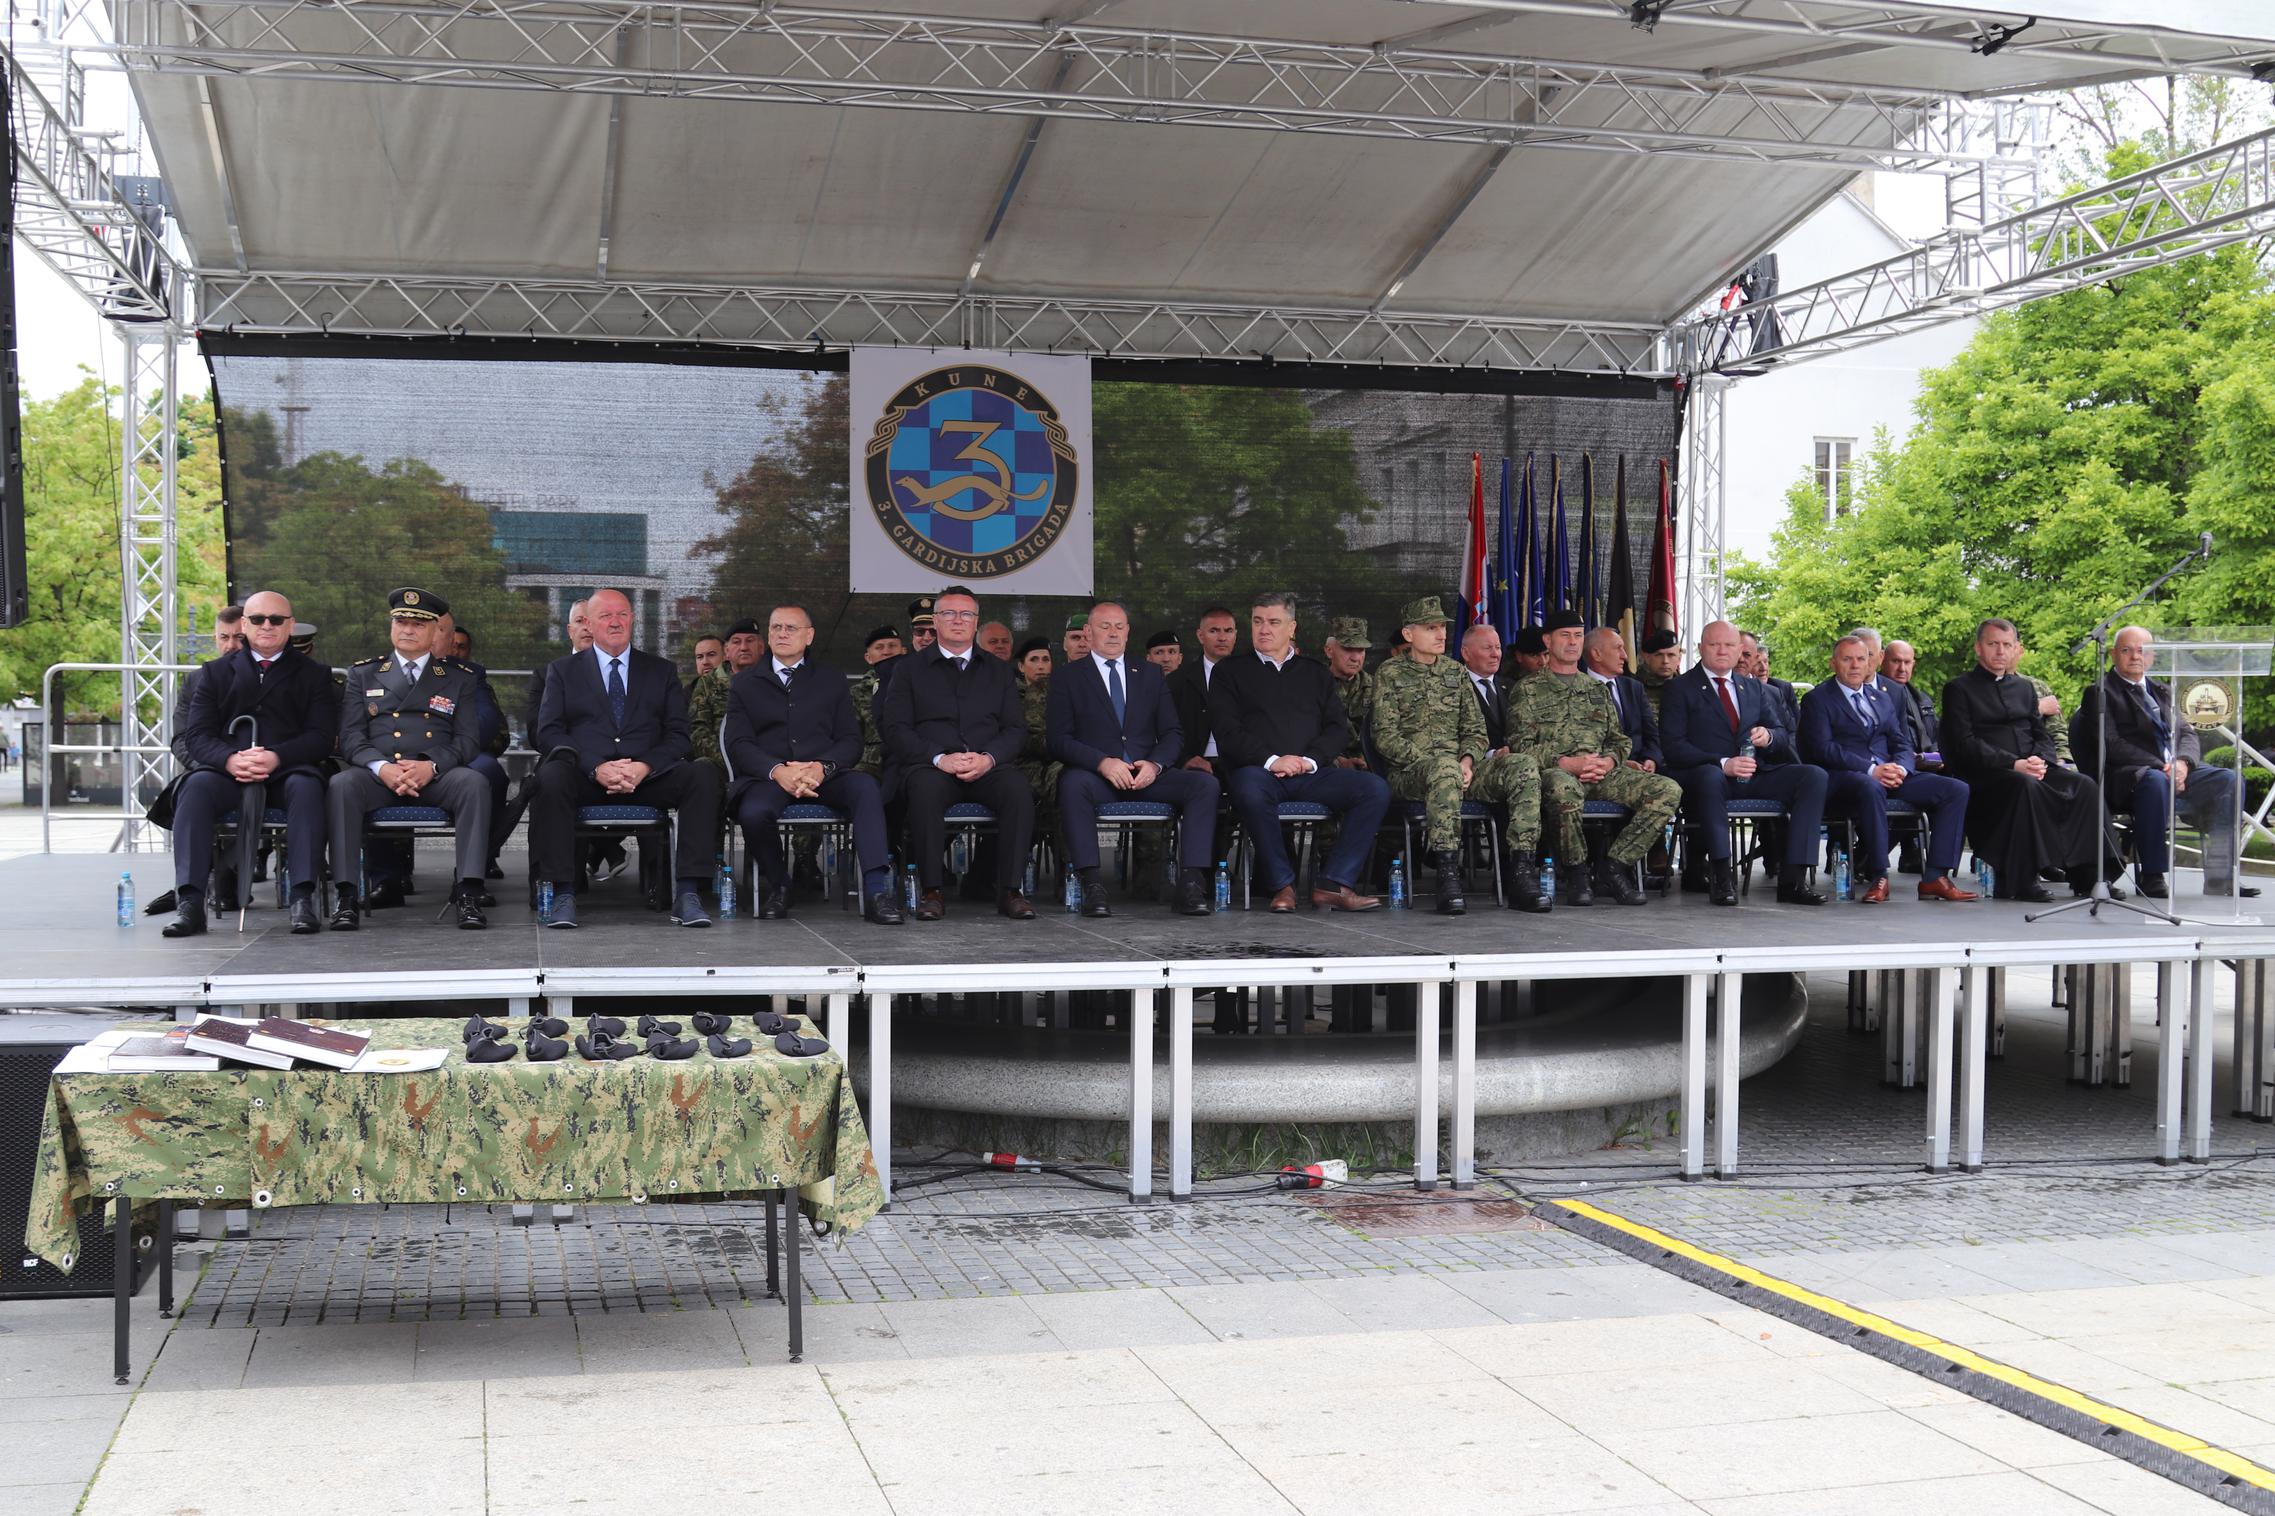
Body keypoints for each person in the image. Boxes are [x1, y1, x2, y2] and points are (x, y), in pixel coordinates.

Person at [530, 587, 725, 928]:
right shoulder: (562, 671)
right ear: (589, 624)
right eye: (605, 615)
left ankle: (688, 893)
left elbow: (679, 735)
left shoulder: (661, 671)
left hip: (647, 778)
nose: (615, 621)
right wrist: (595, 766)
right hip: (587, 777)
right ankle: (564, 893)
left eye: (622, 614)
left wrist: (645, 766)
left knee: (703, 775)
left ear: (633, 619)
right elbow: (549, 733)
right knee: (550, 777)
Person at [164, 591, 339, 938]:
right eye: (258, 619)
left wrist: (277, 756)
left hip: (286, 770)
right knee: (195, 788)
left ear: (290, 625)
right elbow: (196, 735)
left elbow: (321, 737)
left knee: (307, 788)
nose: (267, 626)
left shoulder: (314, 674)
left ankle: (302, 898)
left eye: (276, 619)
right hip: (228, 771)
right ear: (244, 625)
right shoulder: (214, 673)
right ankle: (191, 902)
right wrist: (229, 760)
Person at [326, 588, 494, 930]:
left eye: (418, 624)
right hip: (379, 775)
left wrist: (430, 766)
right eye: (401, 622)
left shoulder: (459, 678)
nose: (408, 630)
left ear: (435, 631)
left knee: (474, 783)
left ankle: (468, 893)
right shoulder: (362, 674)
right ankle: (347, 895)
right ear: (392, 626)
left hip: (435, 775)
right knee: (342, 785)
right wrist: (382, 767)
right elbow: (352, 737)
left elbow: (467, 741)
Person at [724, 605, 904, 924]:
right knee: (753, 813)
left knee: (866, 789)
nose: (782, 633)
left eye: (791, 628)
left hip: (824, 774)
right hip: (771, 777)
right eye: (776, 627)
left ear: (809, 636)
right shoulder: (745, 683)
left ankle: (877, 891)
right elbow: (739, 743)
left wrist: (822, 768)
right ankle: (780, 885)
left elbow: (850, 739)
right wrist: (778, 771)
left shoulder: (831, 679)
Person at [1211, 591, 1388, 912]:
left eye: (1273, 622)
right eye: (1257, 622)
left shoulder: (1315, 673)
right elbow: (1227, 732)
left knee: (1374, 789)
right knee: (1248, 789)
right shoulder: (1229, 672)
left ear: (1292, 628)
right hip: (1259, 773)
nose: (1264, 629)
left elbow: (1336, 728)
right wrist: (1273, 760)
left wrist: (1309, 761)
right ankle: (1283, 886)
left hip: (1310, 773)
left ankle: (1334, 883)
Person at [1373, 596, 1549, 914]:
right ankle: (1447, 875)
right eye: (1431, 628)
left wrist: (1466, 762)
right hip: (1411, 772)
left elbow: (1476, 731)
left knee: (1523, 765)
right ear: (1409, 634)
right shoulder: (1390, 673)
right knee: (1444, 770)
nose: (1441, 634)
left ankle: (1521, 872)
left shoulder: (1455, 672)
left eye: (1442, 627)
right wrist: (1439, 765)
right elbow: (1385, 737)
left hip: (1463, 770)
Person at [1046, 600, 1219, 917]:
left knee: (1204, 786)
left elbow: (1172, 733)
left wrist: (1155, 765)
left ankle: (1191, 884)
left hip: (1146, 776)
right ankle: (1092, 885)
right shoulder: (1067, 677)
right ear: (1089, 632)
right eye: (1104, 626)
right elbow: (1058, 739)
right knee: (1071, 784)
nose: (1113, 633)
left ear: (1127, 632)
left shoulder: (1149, 674)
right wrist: (1102, 762)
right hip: (1098, 777)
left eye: (1119, 626)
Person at [877, 585, 1037, 920]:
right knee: (924, 791)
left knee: (1018, 790)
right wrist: (939, 758)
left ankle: (1010, 890)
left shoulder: (998, 670)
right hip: (931, 765)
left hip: (987, 765)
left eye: (966, 614)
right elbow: (895, 729)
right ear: (936, 621)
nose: (958, 620)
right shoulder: (908, 669)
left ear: (976, 622)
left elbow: (1015, 729)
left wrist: (988, 758)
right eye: (949, 613)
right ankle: (932, 891)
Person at [1939, 618, 2121, 902]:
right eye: (1993, 644)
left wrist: (2040, 760)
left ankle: (2090, 876)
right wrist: (2014, 763)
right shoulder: (1958, 689)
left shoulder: (2024, 688)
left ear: (2015, 648)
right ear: (1978, 648)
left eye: (2006, 644)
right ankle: (2021, 879)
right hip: (1987, 774)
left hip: (2031, 767)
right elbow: (1964, 743)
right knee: (2026, 786)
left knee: (2084, 785)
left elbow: (2041, 733)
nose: (2000, 651)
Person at [1514, 610, 1680, 907]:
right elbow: (1520, 748)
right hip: (1557, 773)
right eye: (1565, 636)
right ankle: (1577, 872)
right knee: (1563, 789)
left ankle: (1614, 867)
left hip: (1601, 773)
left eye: (1578, 636)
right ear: (1547, 641)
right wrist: (1567, 763)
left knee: (1667, 789)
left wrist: (1609, 761)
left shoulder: (1595, 689)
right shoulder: (1526, 690)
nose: (1572, 642)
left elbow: (1619, 740)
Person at [1659, 620, 1830, 907]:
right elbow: (1673, 747)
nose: (1722, 651)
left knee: (1813, 776)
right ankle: (1721, 878)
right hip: (1707, 778)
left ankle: (1793, 880)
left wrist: (1768, 736)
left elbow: (1781, 733)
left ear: (1740, 650)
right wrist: (1722, 763)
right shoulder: (1680, 688)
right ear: (1701, 648)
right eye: (1714, 645)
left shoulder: (1752, 688)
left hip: (1753, 774)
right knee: (1710, 777)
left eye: (1729, 645)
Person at [2070, 625, 2247, 899]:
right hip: (2128, 777)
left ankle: (2220, 875)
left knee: (2229, 780)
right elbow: (2112, 744)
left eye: (2143, 651)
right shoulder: (2099, 693)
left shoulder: (2163, 690)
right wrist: (2163, 767)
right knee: (2154, 780)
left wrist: (2183, 763)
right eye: (2127, 650)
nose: (2135, 657)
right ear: (2114, 654)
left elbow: (2187, 733)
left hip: (2173, 771)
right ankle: (2152, 875)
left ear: (2153, 656)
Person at [1799, 637, 1977, 903]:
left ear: (1870, 662)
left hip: (1890, 774)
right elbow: (1823, 749)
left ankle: (1935, 877)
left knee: (1955, 789)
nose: (1855, 665)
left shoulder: (1881, 698)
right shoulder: (1818, 699)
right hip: (1847, 777)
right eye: (1847, 659)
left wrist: (1902, 769)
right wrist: (1872, 769)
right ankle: (1879, 875)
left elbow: (1901, 742)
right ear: (1833, 663)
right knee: (1871, 787)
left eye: (1861, 659)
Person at [1168, 606, 1239, 773]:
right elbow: (1164, 729)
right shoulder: (1177, 681)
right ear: (1200, 636)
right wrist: (1184, 759)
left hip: (1242, 764)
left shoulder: (1250, 678)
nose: (1222, 638)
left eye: (1228, 631)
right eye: (1214, 631)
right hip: (1195, 765)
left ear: (1235, 635)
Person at [1584, 627, 1661, 771]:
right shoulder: (1577, 689)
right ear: (1596, 654)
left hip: (1641, 768)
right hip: (1600, 769)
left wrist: (1650, 759)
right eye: (1618, 648)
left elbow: (1652, 734)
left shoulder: (1634, 688)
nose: (1625, 656)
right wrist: (1619, 763)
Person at [691, 618, 764, 768]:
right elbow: (698, 731)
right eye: (736, 642)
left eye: (750, 641)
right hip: (723, 763)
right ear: (726, 651)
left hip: (768, 764)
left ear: (761, 647)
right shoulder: (708, 683)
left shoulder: (774, 679)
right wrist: (730, 760)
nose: (743, 647)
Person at [524, 597, 593, 739]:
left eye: (591, 621)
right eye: (579, 621)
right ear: (570, 631)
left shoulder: (619, 672)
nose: (586, 627)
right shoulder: (544, 676)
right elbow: (536, 731)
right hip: (563, 750)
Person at [848, 625, 902, 780]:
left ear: (903, 651)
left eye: (892, 646)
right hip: (869, 765)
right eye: (879, 647)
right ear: (868, 657)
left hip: (907, 758)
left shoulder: (915, 685)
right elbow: (851, 737)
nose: (887, 651)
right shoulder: (857, 693)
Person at [1322, 618, 1375, 770]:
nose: (1355, 658)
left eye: (1361, 650)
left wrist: (1368, 759)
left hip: (1370, 766)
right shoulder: (1313, 687)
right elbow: (1303, 735)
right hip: (1324, 766)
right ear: (1329, 651)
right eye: (1348, 649)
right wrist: (1339, 762)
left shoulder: (1377, 687)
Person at [1880, 640, 1940, 756]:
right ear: (1882, 661)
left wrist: (1934, 755)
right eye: (1896, 661)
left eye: (1907, 662)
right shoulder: (1872, 696)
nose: (1902, 668)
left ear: (1913, 664)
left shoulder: (1922, 699)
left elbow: (1937, 735)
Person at [1459, 623, 1510, 754]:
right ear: (1466, 653)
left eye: (1498, 647)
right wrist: (1491, 754)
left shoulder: (1512, 686)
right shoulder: (1454, 689)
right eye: (1487, 648)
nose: (1495, 654)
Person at [1636, 628, 1683, 721]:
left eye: (1671, 655)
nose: (1665, 661)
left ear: (1679, 658)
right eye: (1659, 655)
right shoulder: (1634, 688)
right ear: (1647, 658)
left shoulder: (1688, 687)